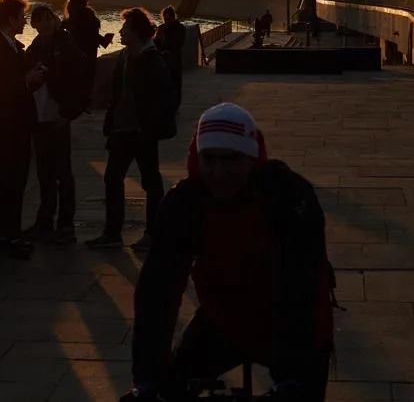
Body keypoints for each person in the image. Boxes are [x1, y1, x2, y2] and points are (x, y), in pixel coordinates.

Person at [124, 103, 335, 402]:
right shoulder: (184, 202)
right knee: (168, 388)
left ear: (252, 158)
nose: (219, 172)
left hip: (288, 322)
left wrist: (295, 379)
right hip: (223, 318)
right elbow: (158, 290)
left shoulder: (288, 196)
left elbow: (304, 286)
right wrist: (147, 380)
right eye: (209, 159)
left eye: (231, 159)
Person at [87, 7, 176, 252]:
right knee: (113, 178)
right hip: (122, 130)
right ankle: (112, 233)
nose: (120, 31)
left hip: (141, 132)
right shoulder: (127, 56)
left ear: (136, 32)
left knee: (150, 182)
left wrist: (149, 127)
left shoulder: (152, 61)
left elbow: (165, 98)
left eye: (125, 28)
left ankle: (152, 233)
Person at [0, 0, 43, 259]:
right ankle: (6, 238)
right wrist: (25, 80)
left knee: (17, 182)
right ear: (11, 19)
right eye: (22, 17)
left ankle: (11, 235)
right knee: (9, 182)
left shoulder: (11, 46)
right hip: (7, 126)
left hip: (18, 124)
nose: (25, 22)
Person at [24, 3, 88, 244]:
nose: (44, 24)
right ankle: (45, 221)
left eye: (47, 18)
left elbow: (79, 81)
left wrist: (68, 113)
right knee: (45, 174)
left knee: (63, 173)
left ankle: (65, 224)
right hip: (40, 118)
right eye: (39, 20)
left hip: (57, 117)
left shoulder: (66, 45)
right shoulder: (36, 47)